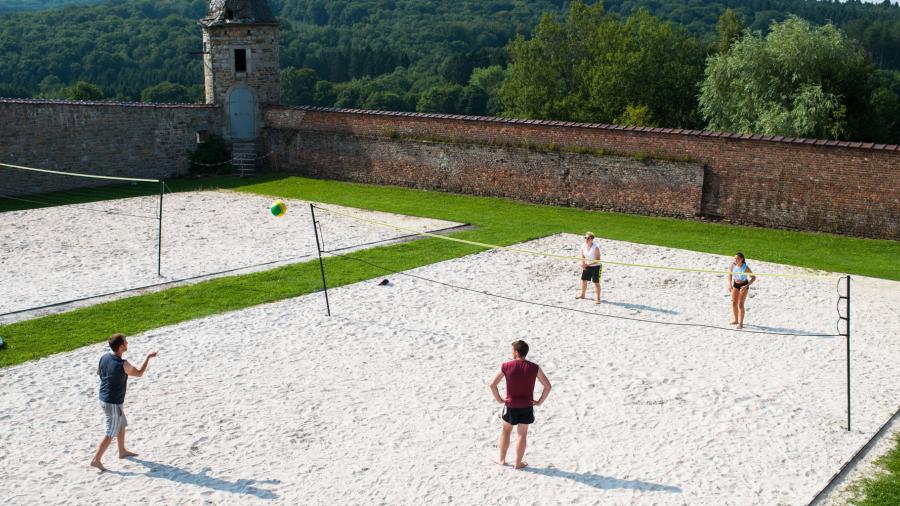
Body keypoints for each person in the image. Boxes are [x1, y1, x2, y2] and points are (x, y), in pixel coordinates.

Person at [90, 333, 157, 472]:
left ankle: (122, 451)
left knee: (121, 423)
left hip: (104, 398)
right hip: (112, 402)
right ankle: (96, 460)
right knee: (110, 432)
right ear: (121, 347)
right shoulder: (123, 364)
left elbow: (98, 372)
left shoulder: (104, 357)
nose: (127, 343)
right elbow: (138, 373)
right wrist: (148, 358)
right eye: (126, 342)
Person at [489, 340, 552, 469]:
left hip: (511, 405)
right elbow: (548, 386)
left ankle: (501, 459)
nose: (511, 352)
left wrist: (500, 399)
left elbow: (492, 385)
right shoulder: (534, 367)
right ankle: (518, 463)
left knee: (506, 431)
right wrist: (539, 402)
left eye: (512, 350)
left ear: (516, 352)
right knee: (522, 434)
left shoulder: (506, 366)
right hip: (527, 406)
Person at [728, 252, 756, 329]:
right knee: (734, 303)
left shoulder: (745, 267)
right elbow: (730, 275)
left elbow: (753, 278)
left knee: (740, 304)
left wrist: (746, 286)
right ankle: (736, 320)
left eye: (737, 258)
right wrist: (729, 284)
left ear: (742, 259)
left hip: (744, 285)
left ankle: (741, 323)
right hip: (735, 284)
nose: (736, 260)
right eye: (735, 258)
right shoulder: (732, 265)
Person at [577, 232, 602, 304]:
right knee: (583, 280)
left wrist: (587, 265)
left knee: (596, 282)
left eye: (588, 238)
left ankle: (598, 299)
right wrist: (583, 264)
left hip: (596, 266)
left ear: (592, 239)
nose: (586, 239)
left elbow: (597, 259)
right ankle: (582, 295)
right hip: (587, 265)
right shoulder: (583, 246)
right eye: (585, 238)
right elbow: (583, 256)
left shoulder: (596, 247)